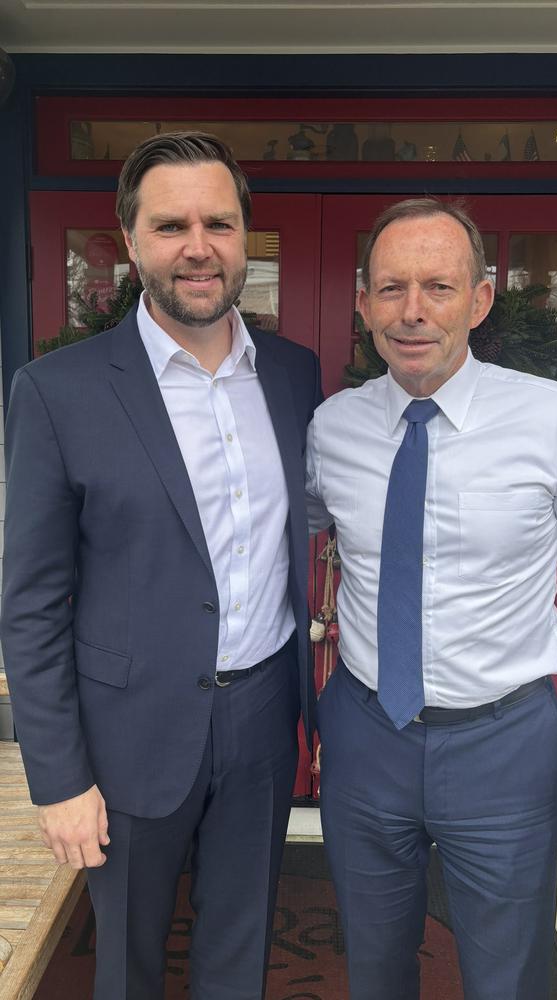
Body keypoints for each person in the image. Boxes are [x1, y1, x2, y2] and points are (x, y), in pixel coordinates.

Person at [1, 131, 322, 1000]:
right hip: (127, 733)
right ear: (132, 241)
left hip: (261, 717)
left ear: (244, 237)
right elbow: (30, 604)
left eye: (219, 223)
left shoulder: (294, 376)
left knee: (239, 951)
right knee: (129, 966)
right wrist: (58, 778)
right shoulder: (57, 391)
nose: (198, 246)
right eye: (171, 224)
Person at [306, 198, 557, 1000]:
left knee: (507, 975)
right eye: (390, 289)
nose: (414, 311)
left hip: (502, 746)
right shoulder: (334, 428)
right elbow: (288, 530)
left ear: (481, 299)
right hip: (365, 735)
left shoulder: (553, 419)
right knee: (374, 964)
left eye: (438, 286)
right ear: (362, 304)